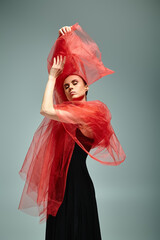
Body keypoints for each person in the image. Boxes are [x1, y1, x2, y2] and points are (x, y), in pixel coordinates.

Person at [18, 23, 126, 240]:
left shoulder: (91, 112)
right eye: (66, 86)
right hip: (61, 186)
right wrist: (63, 42)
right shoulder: (69, 113)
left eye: (75, 83)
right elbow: (62, 82)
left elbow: (46, 109)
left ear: (86, 87)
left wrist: (52, 77)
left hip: (76, 185)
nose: (69, 88)